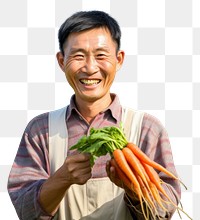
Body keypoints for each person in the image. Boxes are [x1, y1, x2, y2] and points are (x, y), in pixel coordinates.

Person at [7, 10, 181, 220]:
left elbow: (165, 211)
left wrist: (134, 188)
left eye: (101, 55)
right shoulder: (40, 130)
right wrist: (62, 178)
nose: (90, 68)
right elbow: (24, 211)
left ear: (119, 60)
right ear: (61, 61)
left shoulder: (147, 129)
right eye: (78, 56)